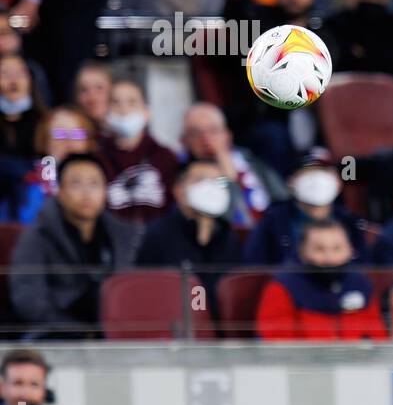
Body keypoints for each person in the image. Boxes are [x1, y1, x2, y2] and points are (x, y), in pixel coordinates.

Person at [9, 153, 140, 339]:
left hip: (113, 333)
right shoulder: (37, 236)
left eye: (94, 184)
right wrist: (76, 330)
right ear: (60, 191)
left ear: (105, 191)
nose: (86, 193)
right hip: (55, 333)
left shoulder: (126, 236)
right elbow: (28, 299)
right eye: (76, 184)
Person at [255, 218, 387, 341]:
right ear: (302, 252)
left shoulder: (361, 284)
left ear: (350, 250)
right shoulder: (282, 288)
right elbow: (274, 344)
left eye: (337, 248)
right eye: (319, 249)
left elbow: (378, 339)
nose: (329, 257)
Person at [135, 158, 243, 296]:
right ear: (179, 190)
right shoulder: (158, 235)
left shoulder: (228, 236)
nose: (211, 188)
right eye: (200, 180)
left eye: (218, 182)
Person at [243, 151, 370, 266]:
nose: (316, 180)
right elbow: (254, 269)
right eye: (308, 173)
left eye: (324, 172)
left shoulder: (350, 222)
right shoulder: (273, 222)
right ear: (291, 182)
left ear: (338, 182)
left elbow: (364, 269)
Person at [98, 77, 179, 225]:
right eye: (115, 102)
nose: (124, 110)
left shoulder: (165, 156)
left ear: (147, 111)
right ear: (106, 112)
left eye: (132, 102)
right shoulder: (97, 157)